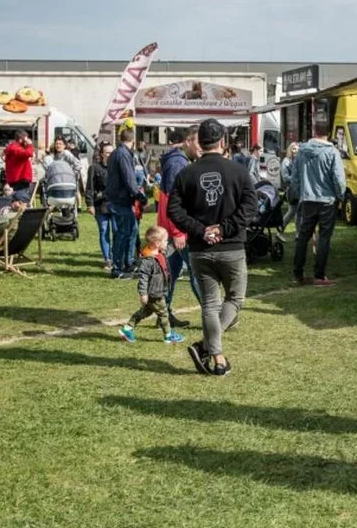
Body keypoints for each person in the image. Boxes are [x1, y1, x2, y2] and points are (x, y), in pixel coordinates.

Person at [168, 118, 257, 377]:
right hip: (231, 248)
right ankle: (212, 352)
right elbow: (249, 208)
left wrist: (201, 230)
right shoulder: (238, 171)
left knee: (209, 304)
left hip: (200, 249)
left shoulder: (186, 173)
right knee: (235, 299)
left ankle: (213, 352)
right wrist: (224, 229)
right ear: (222, 141)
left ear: (200, 142)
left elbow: (173, 210)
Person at [291, 120, 346, 287]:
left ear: (314, 131)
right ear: (328, 133)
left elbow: (295, 177)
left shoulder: (301, 151)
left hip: (307, 199)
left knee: (303, 237)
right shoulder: (332, 152)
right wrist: (340, 195)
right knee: (324, 238)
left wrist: (300, 193)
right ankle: (319, 275)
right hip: (327, 200)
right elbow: (338, 178)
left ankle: (297, 273)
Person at [157, 126, 202, 329]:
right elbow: (169, 200)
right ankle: (214, 314)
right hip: (177, 230)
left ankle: (163, 314)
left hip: (171, 229)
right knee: (196, 270)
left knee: (172, 272)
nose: (202, 148)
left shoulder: (178, 160)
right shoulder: (178, 163)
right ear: (188, 141)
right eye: (198, 143)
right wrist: (178, 232)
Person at [117, 226, 185, 345]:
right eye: (165, 241)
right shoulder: (148, 260)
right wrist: (143, 294)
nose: (167, 243)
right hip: (154, 293)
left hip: (159, 291)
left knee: (145, 312)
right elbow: (143, 279)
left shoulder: (160, 253)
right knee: (164, 313)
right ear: (157, 243)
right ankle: (168, 335)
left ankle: (127, 329)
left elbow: (166, 261)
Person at [106, 129, 147, 279]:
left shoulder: (117, 153)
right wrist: (139, 195)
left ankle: (128, 262)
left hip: (118, 198)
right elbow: (129, 178)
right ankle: (117, 268)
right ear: (133, 140)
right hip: (121, 199)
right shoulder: (123, 154)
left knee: (131, 230)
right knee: (123, 233)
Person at [86, 143, 115, 270]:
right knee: (104, 231)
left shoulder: (118, 168)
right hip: (100, 205)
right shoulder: (94, 168)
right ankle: (107, 259)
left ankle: (116, 257)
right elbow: (89, 188)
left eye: (111, 152)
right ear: (102, 154)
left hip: (115, 205)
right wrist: (90, 204)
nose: (109, 155)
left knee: (117, 231)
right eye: (107, 152)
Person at [3, 130, 35, 199]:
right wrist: (29, 144)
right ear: (21, 139)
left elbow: (2, 155)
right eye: (26, 139)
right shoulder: (16, 149)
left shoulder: (12, 147)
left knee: (16, 199)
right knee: (21, 200)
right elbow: (28, 153)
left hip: (14, 178)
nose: (27, 140)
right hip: (20, 178)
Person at [280, 142, 300, 231]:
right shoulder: (286, 161)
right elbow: (285, 178)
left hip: (300, 190)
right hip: (291, 190)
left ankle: (298, 234)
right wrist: (295, 178)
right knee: (291, 212)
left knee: (298, 213)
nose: (295, 151)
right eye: (294, 149)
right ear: (290, 150)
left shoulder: (298, 161)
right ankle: (280, 228)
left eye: (297, 149)